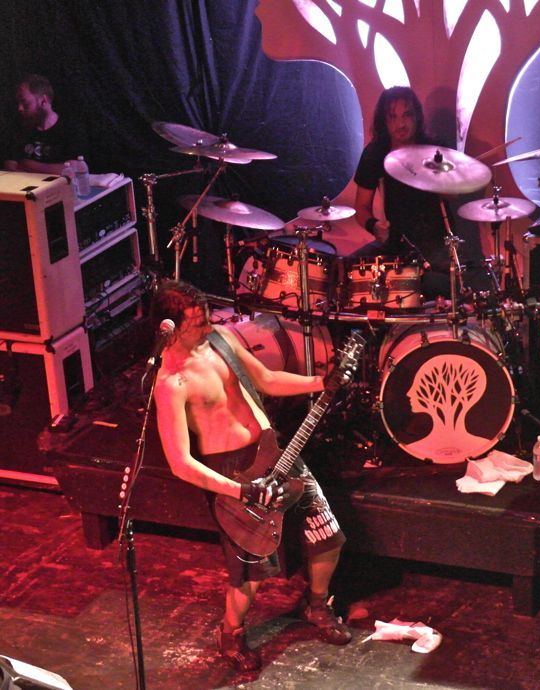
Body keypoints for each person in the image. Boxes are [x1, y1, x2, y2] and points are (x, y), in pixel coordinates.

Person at [151, 280, 351, 672]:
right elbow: (180, 463)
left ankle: (316, 605)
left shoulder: (221, 340)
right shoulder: (170, 383)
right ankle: (231, 633)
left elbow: (266, 379)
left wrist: (319, 383)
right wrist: (240, 490)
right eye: (197, 323)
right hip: (232, 474)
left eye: (207, 318)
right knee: (251, 570)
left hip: (275, 454)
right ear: (170, 328)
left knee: (326, 533)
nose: (208, 327)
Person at [352, 85, 457, 298]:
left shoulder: (433, 149)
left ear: (417, 117)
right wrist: (374, 226)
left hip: (434, 245)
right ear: (384, 121)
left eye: (407, 115)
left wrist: (436, 177)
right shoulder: (376, 153)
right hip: (396, 243)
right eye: (393, 117)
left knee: (433, 287)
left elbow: (453, 194)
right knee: (347, 271)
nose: (401, 124)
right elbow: (361, 207)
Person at [2, 74, 84, 175]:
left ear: (43, 101)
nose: (20, 108)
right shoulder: (19, 128)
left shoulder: (70, 129)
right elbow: (10, 166)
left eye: (24, 102)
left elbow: (76, 168)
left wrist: (28, 165)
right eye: (18, 103)